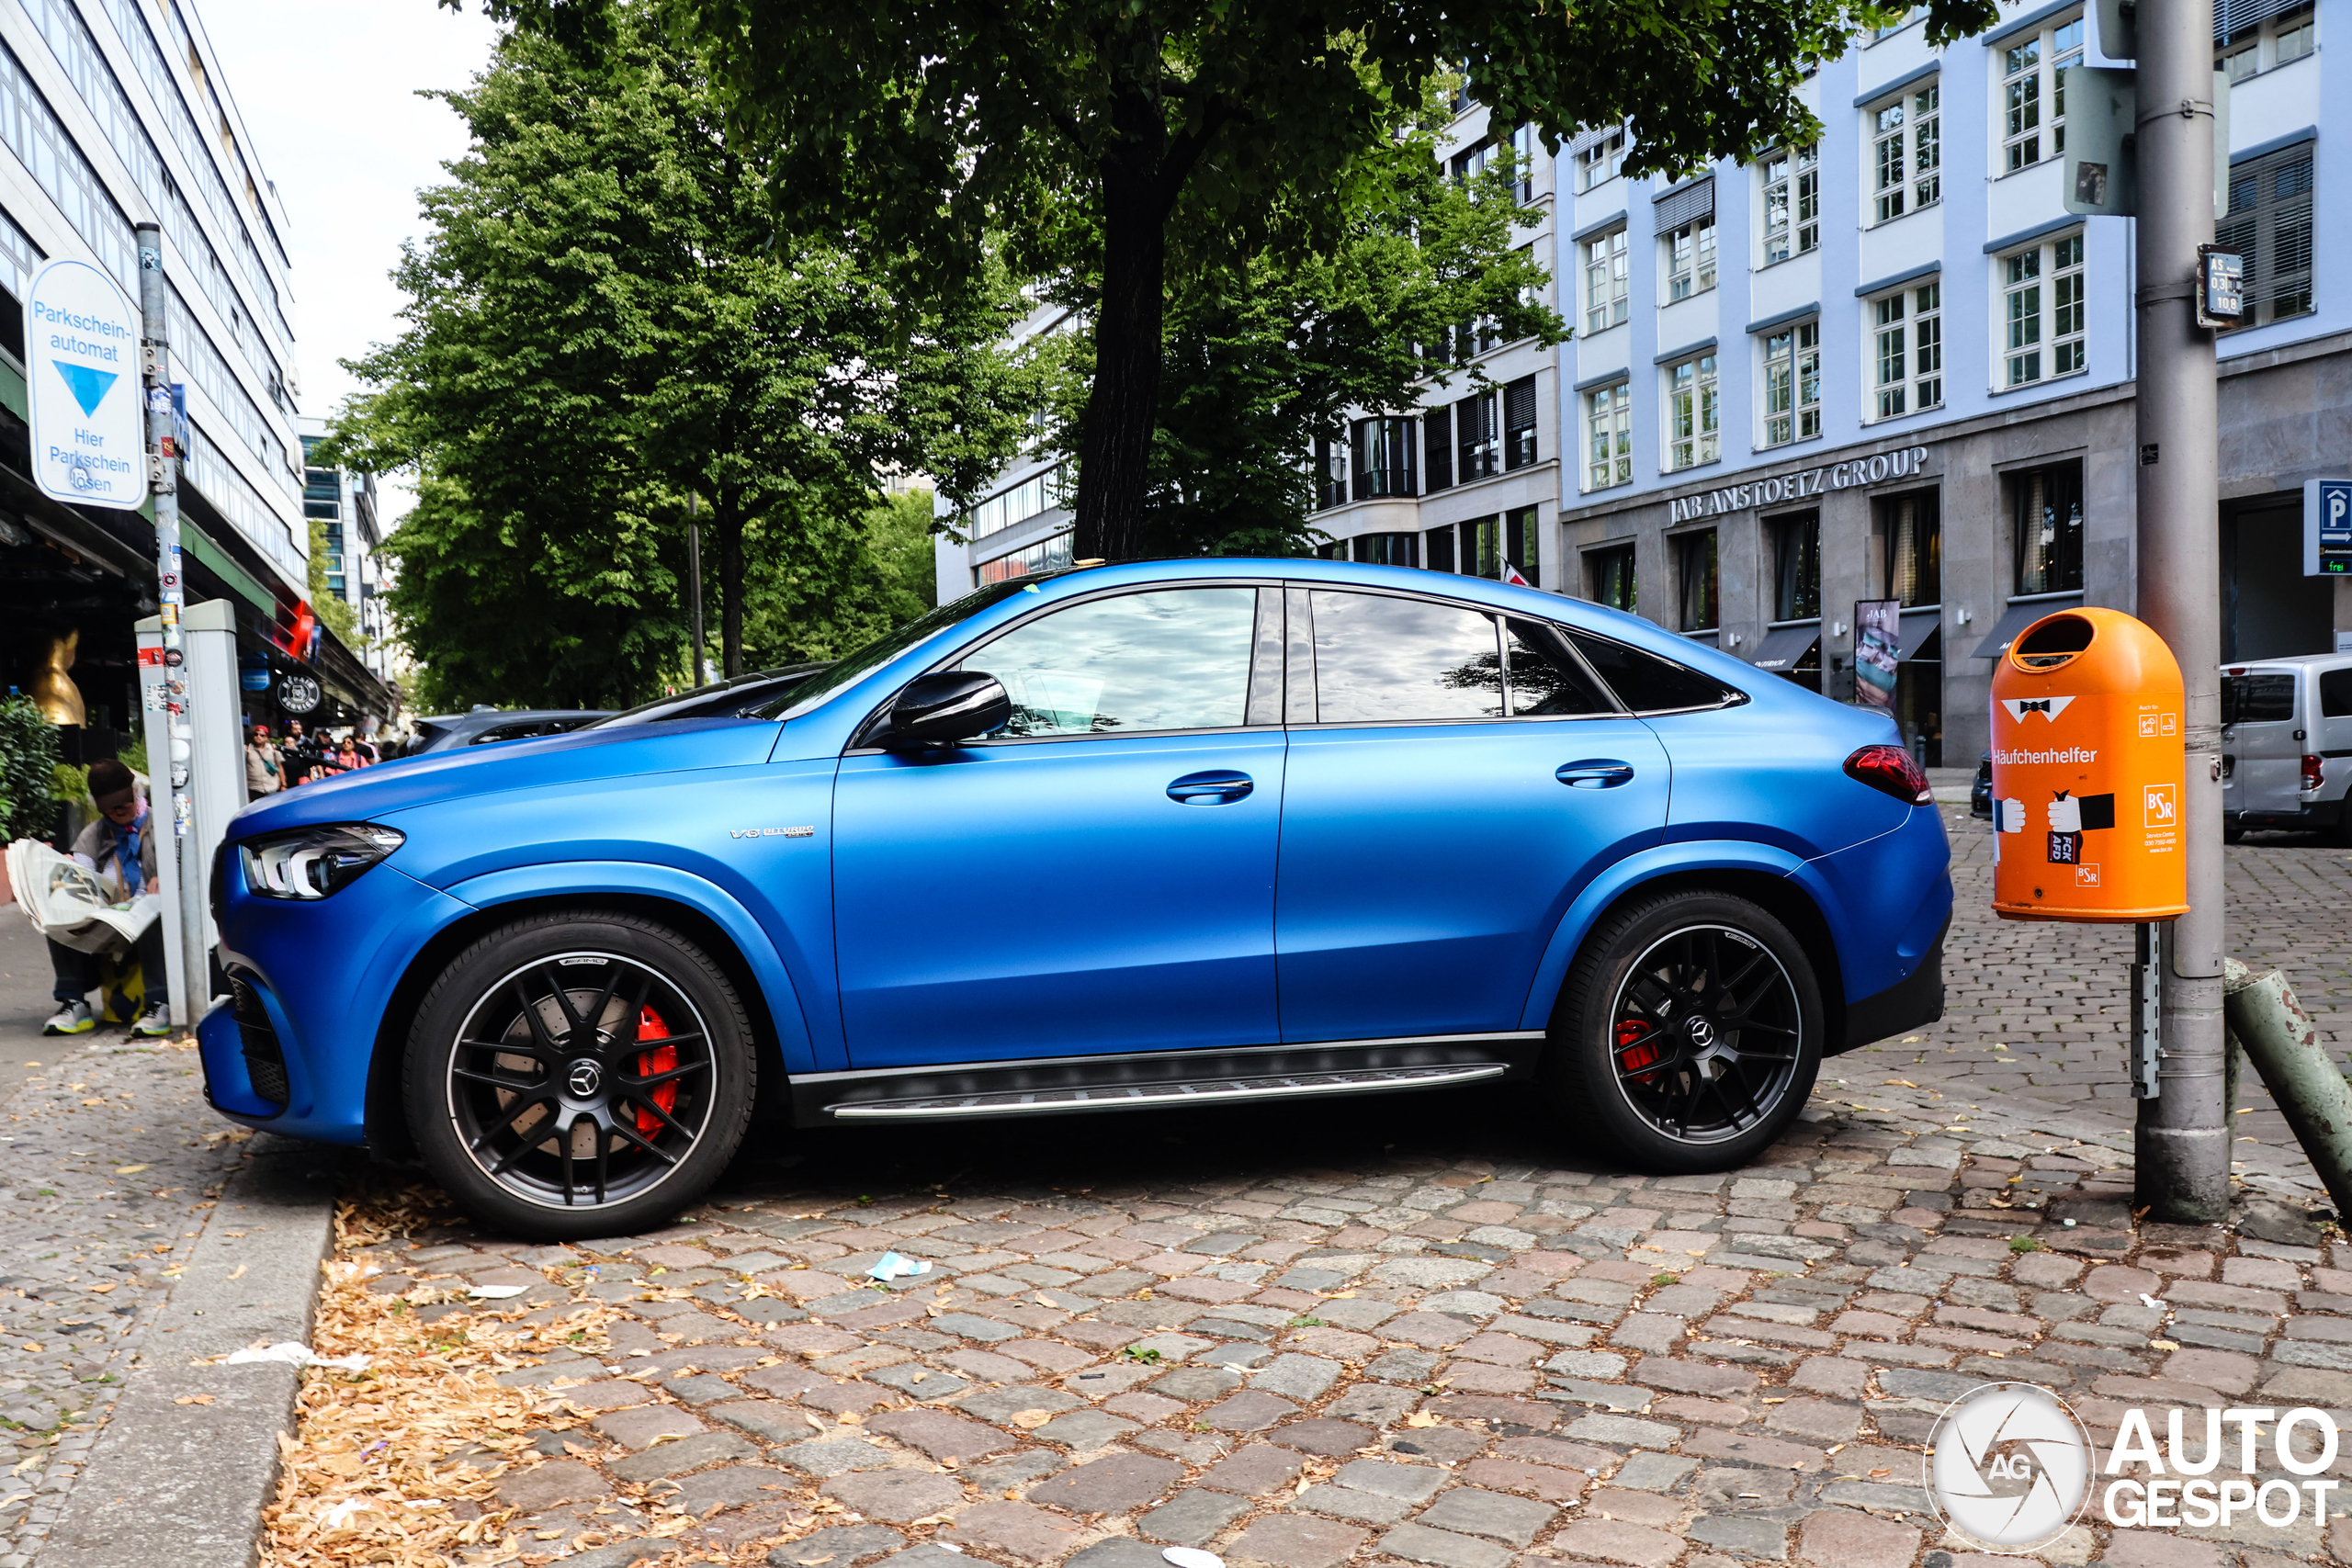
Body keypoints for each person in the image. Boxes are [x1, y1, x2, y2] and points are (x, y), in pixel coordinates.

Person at [41, 758, 171, 1038]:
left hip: (154, 922)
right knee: (56, 910)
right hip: (108, 922)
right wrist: (68, 876)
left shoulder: (164, 824)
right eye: (109, 807)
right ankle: (72, 1001)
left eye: (123, 802)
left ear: (136, 791)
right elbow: (83, 875)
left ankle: (160, 1003)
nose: (118, 810)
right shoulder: (94, 833)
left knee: (153, 908)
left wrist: (169, 878)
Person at [245, 723, 282, 799]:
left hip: (272, 787)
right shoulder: (247, 749)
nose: (258, 737)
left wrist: (283, 784)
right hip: (254, 788)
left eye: (262, 735)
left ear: (266, 738)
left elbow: (280, 767)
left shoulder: (273, 749)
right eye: (256, 734)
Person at [280, 717, 313, 786]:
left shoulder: (307, 742)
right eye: (295, 729)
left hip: (303, 779)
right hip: (289, 779)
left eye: (300, 729)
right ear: (290, 730)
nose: (298, 731)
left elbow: (310, 762)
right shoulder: (282, 747)